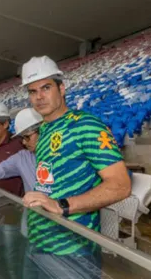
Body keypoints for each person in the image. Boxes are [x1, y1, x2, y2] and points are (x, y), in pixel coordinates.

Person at [19, 55, 131, 277]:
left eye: (46, 88)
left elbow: (121, 185)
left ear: (61, 88)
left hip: (72, 251)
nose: (39, 97)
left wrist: (63, 205)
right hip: (37, 242)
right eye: (32, 92)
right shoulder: (44, 131)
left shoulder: (86, 125)